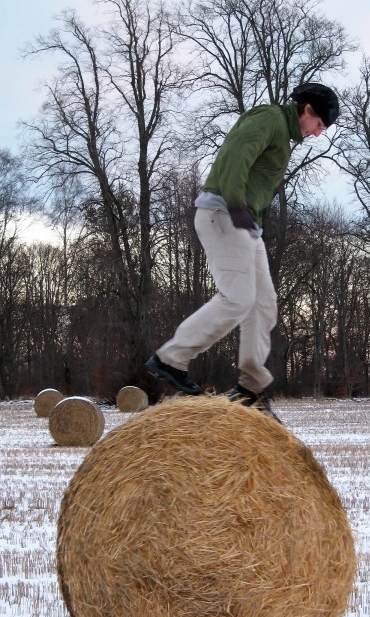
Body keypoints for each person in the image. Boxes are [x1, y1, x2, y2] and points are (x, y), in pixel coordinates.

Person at [145, 82, 339, 419]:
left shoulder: (285, 134)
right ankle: (170, 358)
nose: (318, 134)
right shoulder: (270, 119)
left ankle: (250, 387)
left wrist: (250, 219)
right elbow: (236, 155)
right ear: (307, 109)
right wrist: (236, 205)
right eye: (320, 125)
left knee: (263, 304)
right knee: (237, 298)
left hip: (246, 224)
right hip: (224, 213)